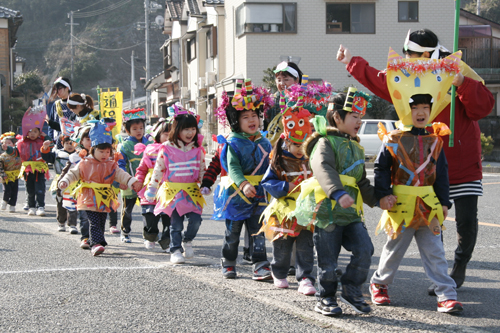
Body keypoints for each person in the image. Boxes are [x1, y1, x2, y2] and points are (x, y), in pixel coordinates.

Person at [337, 29, 495, 291]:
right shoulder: (409, 74)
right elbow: (384, 81)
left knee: (467, 220)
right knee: (434, 219)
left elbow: (483, 107)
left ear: (426, 53)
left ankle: (460, 266)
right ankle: (443, 277)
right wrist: (352, 62)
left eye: (411, 54)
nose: (408, 59)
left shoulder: (457, 69)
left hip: (462, 159)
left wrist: (462, 83)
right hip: (424, 162)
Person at [293, 90, 394, 316]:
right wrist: (337, 192)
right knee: (328, 261)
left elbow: (361, 182)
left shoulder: (356, 148)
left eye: (360, 116)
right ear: (337, 117)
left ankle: (351, 288)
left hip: (351, 214)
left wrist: (378, 199)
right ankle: (326, 297)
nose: (359, 121)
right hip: (328, 212)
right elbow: (322, 168)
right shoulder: (324, 143)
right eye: (354, 116)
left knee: (365, 249)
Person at [213, 79, 274, 280]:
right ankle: (228, 262)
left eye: (254, 115)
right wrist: (244, 183)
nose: (251, 120)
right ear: (236, 121)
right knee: (233, 232)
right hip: (238, 194)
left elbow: (272, 166)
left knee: (258, 232)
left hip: (261, 194)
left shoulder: (265, 141)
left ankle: (260, 264)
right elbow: (233, 169)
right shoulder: (232, 143)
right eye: (245, 116)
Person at [259, 86, 316, 295]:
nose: (300, 149)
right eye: (296, 145)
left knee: (305, 245)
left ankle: (306, 278)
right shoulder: (279, 160)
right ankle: (279, 272)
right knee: (282, 244)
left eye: (304, 145)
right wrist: (285, 187)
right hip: (284, 210)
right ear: (287, 142)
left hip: (306, 211)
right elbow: (267, 182)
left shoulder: (311, 160)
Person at [58, 119, 142, 256]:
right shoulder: (85, 162)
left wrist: (132, 181)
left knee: (102, 220)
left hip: (104, 196)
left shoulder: (111, 164)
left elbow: (121, 174)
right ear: (93, 150)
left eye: (107, 152)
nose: (105, 155)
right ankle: (95, 244)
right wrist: (65, 181)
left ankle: (96, 241)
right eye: (101, 152)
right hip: (89, 196)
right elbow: (73, 173)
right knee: (94, 220)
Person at [144, 103, 206, 264]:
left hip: (192, 191)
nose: (190, 132)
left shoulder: (198, 149)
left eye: (193, 129)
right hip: (172, 191)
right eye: (186, 129)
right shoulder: (166, 148)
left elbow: (201, 169)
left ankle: (188, 240)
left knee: (196, 220)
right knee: (175, 224)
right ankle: (175, 250)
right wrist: (152, 189)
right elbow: (158, 170)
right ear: (176, 129)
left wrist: (205, 184)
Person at [135, 118, 172, 251]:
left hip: (170, 187)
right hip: (151, 186)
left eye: (172, 134)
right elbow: (142, 169)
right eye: (166, 134)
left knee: (169, 217)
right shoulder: (149, 150)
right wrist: (138, 181)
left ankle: (168, 241)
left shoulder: (178, 150)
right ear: (158, 135)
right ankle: (150, 236)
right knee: (149, 214)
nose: (169, 137)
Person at [118, 108, 150, 243]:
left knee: (147, 210)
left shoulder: (149, 144)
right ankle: (125, 232)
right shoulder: (125, 146)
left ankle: (148, 235)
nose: (139, 131)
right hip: (129, 183)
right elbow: (120, 165)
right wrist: (123, 180)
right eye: (135, 128)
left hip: (147, 184)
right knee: (127, 209)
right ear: (128, 130)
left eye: (141, 128)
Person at [41, 135, 78, 233]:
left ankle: (72, 224)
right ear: (62, 144)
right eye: (67, 143)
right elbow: (47, 157)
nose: (70, 146)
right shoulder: (57, 153)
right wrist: (45, 148)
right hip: (60, 181)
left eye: (72, 143)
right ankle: (61, 222)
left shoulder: (79, 155)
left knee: (73, 203)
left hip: (74, 182)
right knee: (60, 203)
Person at [18, 107, 50, 216]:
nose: (32, 134)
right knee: (30, 188)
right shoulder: (22, 142)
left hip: (40, 168)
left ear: (39, 133)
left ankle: (41, 206)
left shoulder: (42, 141)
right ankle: (31, 206)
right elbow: (15, 152)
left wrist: (46, 137)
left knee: (40, 188)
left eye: (35, 131)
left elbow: (51, 144)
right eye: (30, 131)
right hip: (28, 169)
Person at [264, 61, 303, 138]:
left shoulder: (305, 98)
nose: (282, 83)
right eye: (279, 80)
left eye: (286, 79)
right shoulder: (272, 101)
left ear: (297, 80)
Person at [46, 77, 77, 149]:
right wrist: (50, 140)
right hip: (58, 141)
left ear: (67, 88)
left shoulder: (76, 102)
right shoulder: (56, 104)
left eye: (59, 89)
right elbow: (51, 124)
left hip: (74, 140)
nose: (57, 91)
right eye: (55, 89)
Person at [0, 132, 22, 212]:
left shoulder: (18, 154)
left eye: (9, 143)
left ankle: (12, 205)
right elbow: (0, 167)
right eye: (4, 143)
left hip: (15, 175)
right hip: (6, 176)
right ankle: (5, 201)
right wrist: (3, 174)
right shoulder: (2, 156)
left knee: (14, 191)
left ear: (14, 144)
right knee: (7, 190)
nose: (6, 145)